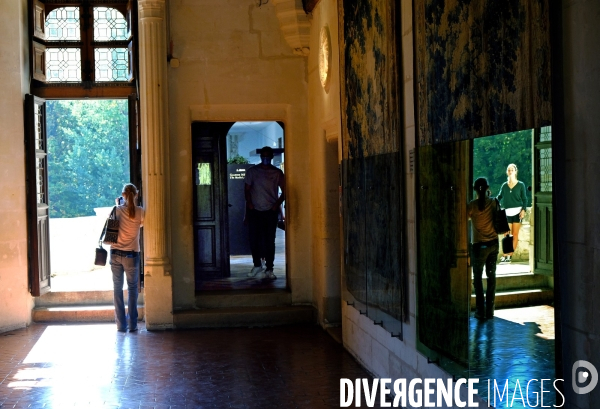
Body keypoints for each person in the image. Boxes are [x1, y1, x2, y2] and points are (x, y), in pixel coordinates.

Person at [244, 146, 285, 280]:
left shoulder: (277, 173)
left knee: (269, 241)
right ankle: (257, 265)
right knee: (253, 239)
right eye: (264, 156)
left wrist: (276, 205)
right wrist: (249, 204)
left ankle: (269, 268)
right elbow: (247, 190)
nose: (266, 159)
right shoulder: (253, 172)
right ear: (261, 157)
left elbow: (285, 192)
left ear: (272, 157)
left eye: (268, 156)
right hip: (255, 210)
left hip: (270, 211)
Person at [110, 183, 144, 332]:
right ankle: (133, 324)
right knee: (132, 289)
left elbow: (112, 229)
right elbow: (140, 225)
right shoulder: (140, 211)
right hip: (132, 255)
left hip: (116, 254)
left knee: (117, 288)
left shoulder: (117, 210)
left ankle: (120, 325)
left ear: (123, 195)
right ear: (136, 195)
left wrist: (118, 205)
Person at [467, 177, 499, 320]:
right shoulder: (493, 202)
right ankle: (490, 310)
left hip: (479, 246)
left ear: (475, 189)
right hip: (493, 244)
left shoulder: (472, 206)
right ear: (487, 188)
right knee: (491, 278)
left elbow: (465, 218)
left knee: (478, 279)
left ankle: (480, 311)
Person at [496, 163, 528, 264]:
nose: (510, 172)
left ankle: (510, 256)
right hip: (506, 213)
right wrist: (491, 203)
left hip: (517, 213)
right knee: (506, 234)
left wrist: (523, 210)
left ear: (515, 171)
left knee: (514, 234)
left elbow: (524, 199)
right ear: (507, 172)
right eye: (509, 170)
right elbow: (499, 197)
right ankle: (505, 255)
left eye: (512, 170)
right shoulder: (504, 186)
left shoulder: (521, 185)